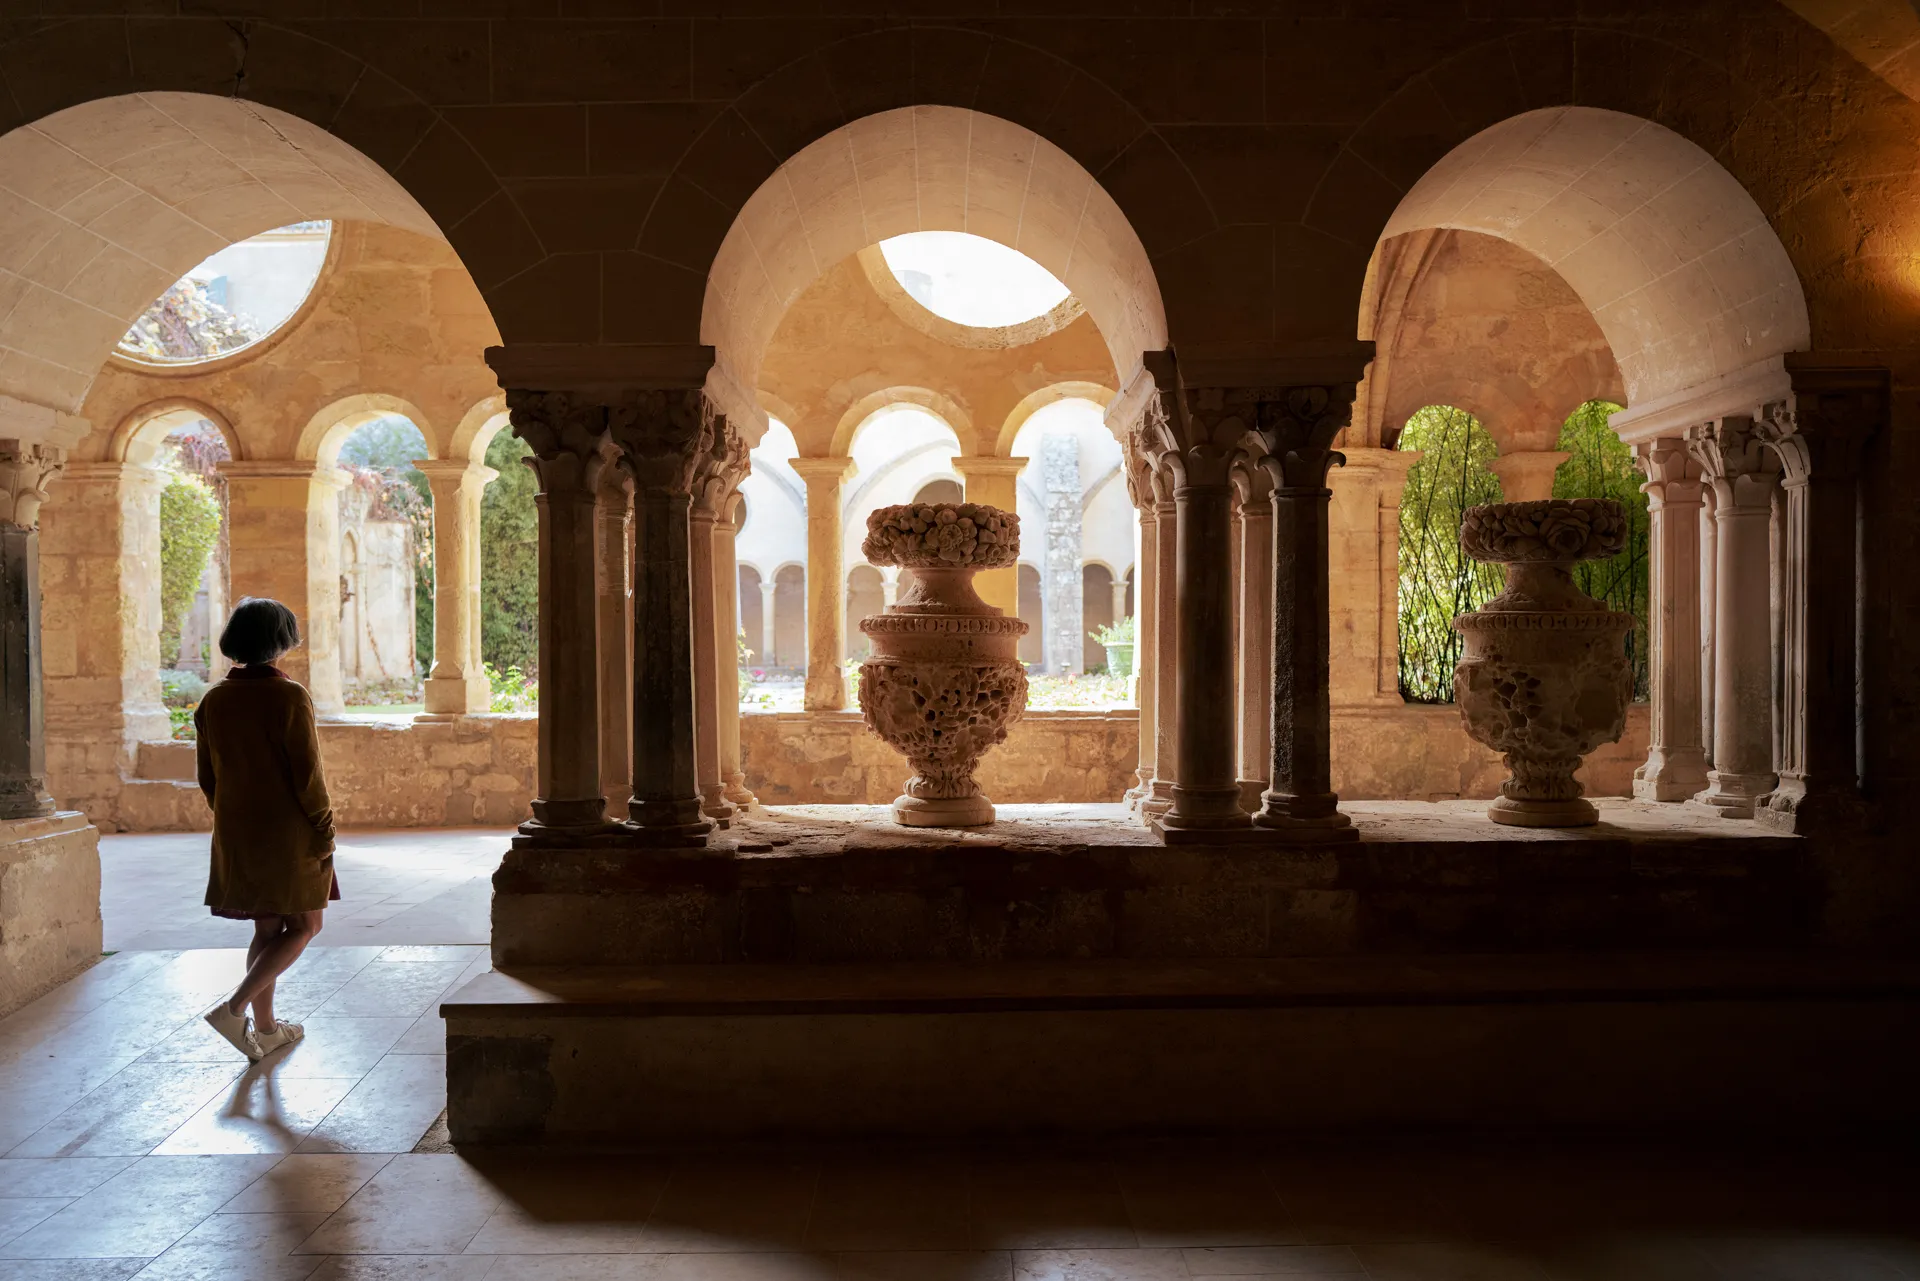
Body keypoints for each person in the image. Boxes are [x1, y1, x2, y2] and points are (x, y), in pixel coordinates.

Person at [197, 597, 338, 1062]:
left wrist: (235, 816)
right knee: (305, 924)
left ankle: (268, 1028)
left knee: (266, 926)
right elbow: (307, 776)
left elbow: (208, 777)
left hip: (238, 831)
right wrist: (324, 829)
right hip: (289, 832)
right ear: (282, 639)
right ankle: (234, 1010)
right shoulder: (289, 696)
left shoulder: (214, 699)